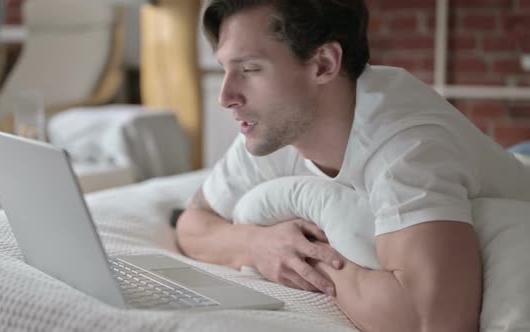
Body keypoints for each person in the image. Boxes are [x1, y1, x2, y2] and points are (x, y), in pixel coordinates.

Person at [176, 1, 530, 331]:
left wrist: (311, 260)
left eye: (250, 69)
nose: (225, 97)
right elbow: (193, 223)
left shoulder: (407, 147)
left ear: (324, 64)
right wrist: (257, 244)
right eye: (225, 69)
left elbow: (430, 319)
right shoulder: (273, 130)